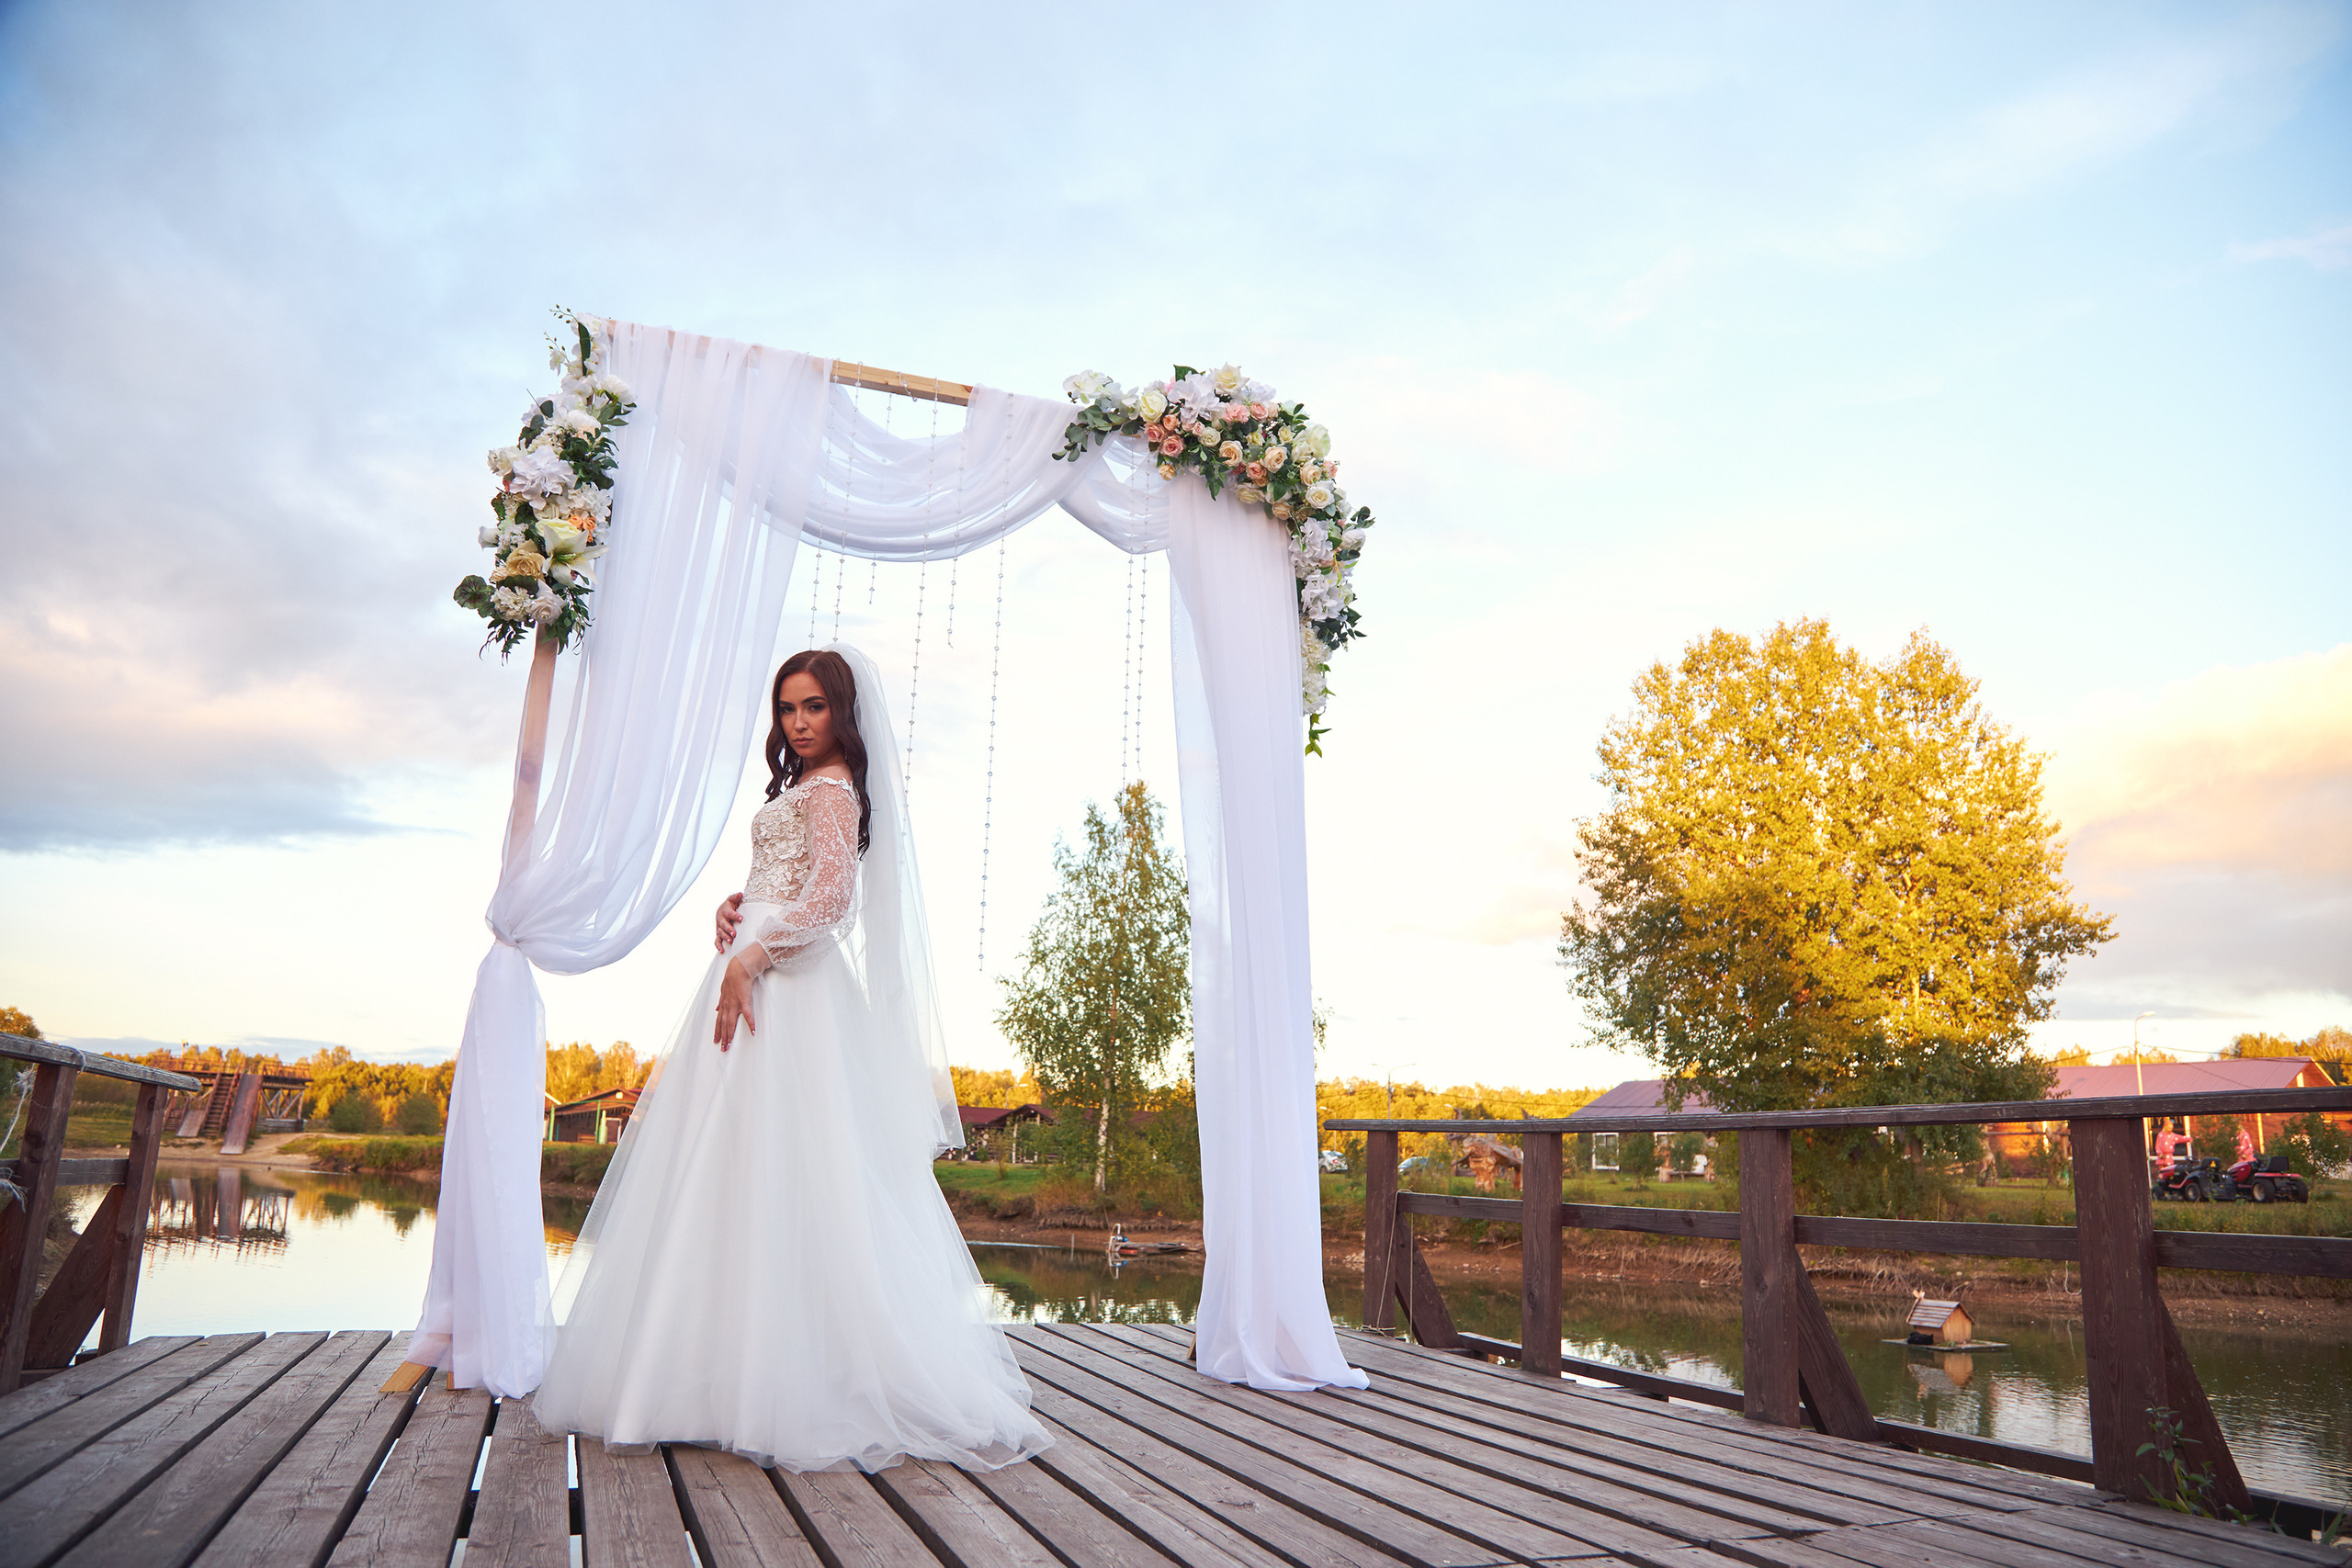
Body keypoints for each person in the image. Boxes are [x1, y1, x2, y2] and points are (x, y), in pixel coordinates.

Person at [532, 646, 1050, 1473]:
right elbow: (790, 881)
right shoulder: (799, 790)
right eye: (787, 709)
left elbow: (833, 901)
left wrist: (755, 955)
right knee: (723, 1166)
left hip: (789, 986)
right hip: (755, 963)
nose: (798, 723)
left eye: (812, 707)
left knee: (794, 1173)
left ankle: (784, 1380)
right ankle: (700, 1369)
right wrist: (738, 906)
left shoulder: (837, 788)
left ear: (841, 712)